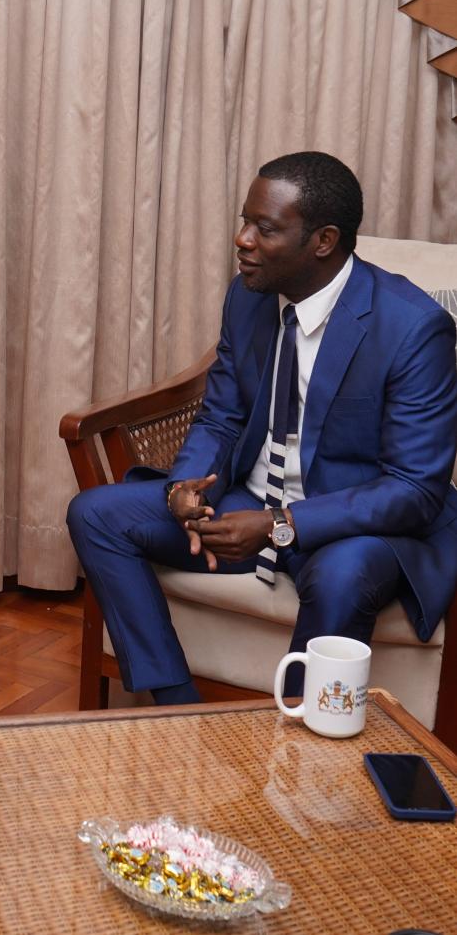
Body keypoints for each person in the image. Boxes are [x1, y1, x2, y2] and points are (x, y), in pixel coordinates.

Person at [67, 151, 457, 706]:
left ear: (323, 241)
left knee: (343, 576)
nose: (243, 240)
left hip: (353, 527)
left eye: (265, 228)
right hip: (249, 501)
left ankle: (295, 736)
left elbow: (414, 489)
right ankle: (177, 710)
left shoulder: (413, 329)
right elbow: (222, 416)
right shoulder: (247, 298)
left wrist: (281, 525)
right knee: (97, 514)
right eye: (245, 222)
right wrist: (186, 489)